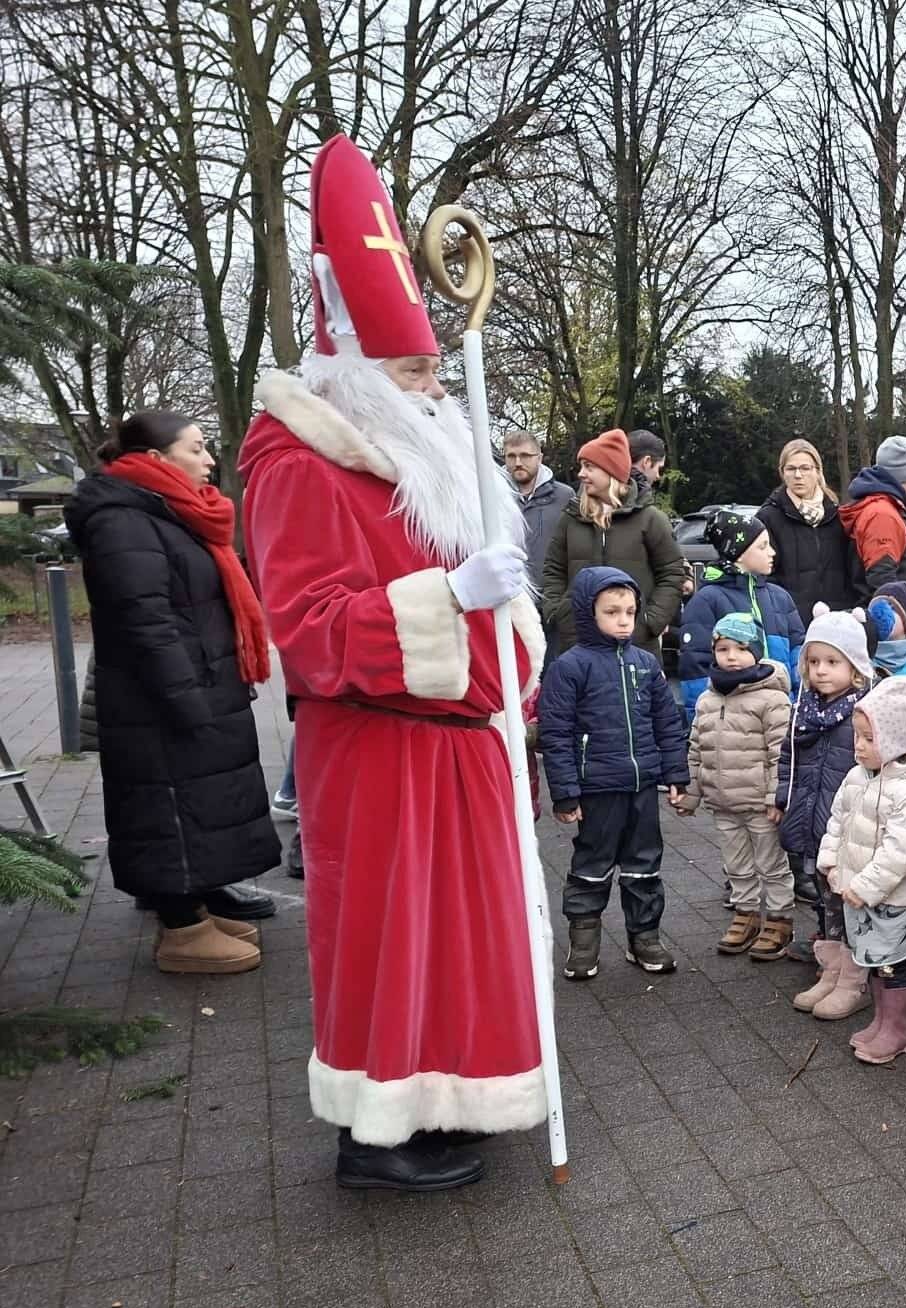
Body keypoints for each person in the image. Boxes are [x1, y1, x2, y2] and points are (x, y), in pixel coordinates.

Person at [238, 135, 546, 1190]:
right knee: (390, 941)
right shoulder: (299, 466)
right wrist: (449, 599)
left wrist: (504, 617)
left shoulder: (430, 455)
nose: (431, 385)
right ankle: (375, 1137)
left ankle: (449, 1100)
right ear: (357, 373)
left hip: (461, 747)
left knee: (460, 943)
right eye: (411, 370)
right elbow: (312, 632)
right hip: (382, 753)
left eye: (431, 369)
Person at [70, 409, 282, 976]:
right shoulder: (122, 521)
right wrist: (185, 697)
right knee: (167, 808)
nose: (209, 459)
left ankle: (200, 905)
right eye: (196, 448)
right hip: (160, 701)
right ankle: (182, 929)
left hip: (198, 685)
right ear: (156, 459)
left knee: (199, 804)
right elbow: (145, 620)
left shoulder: (168, 510)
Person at [539, 566, 690, 980]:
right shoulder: (570, 667)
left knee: (644, 864)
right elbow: (556, 733)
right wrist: (565, 793)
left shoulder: (645, 663)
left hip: (642, 786)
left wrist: (676, 775)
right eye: (611, 612)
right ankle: (584, 940)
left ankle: (644, 937)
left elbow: (667, 724)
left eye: (629, 612)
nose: (624, 621)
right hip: (597, 788)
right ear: (588, 613)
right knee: (592, 862)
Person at [820, 675, 906, 1065]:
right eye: (857, 736)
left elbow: (899, 851)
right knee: (871, 958)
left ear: (897, 739)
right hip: (857, 890)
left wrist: (865, 886)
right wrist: (831, 862)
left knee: (891, 963)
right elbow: (837, 822)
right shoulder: (857, 776)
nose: (859, 745)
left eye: (869, 739)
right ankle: (881, 1020)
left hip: (892, 898)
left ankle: (899, 1028)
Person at [780, 612, 874, 1020]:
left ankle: (855, 979)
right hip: (811, 819)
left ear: (855, 666)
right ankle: (832, 968)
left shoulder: (863, 713)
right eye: (814, 661)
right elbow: (788, 758)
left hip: (849, 829)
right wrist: (782, 797)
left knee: (848, 901)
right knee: (823, 897)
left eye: (832, 662)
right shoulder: (803, 710)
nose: (821, 670)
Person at [687, 614, 795, 960]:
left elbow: (781, 752)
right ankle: (745, 912)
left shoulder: (771, 699)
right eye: (723, 649)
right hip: (723, 802)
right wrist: (691, 793)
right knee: (736, 864)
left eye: (741, 648)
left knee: (771, 864)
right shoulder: (707, 699)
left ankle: (779, 917)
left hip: (760, 803)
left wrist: (776, 797)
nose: (731, 656)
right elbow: (696, 748)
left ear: (757, 652)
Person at [540, 428, 688, 659]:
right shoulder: (570, 519)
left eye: (589, 467)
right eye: (582, 466)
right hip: (577, 647)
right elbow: (553, 570)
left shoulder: (651, 519)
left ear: (611, 471)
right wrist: (558, 613)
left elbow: (672, 573)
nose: (581, 474)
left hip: (636, 648)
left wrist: (649, 622)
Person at [678, 513, 807, 706]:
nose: (772, 552)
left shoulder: (780, 597)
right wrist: (703, 716)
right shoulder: (706, 601)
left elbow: (799, 655)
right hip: (733, 716)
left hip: (783, 710)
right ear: (738, 553)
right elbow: (695, 669)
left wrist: (800, 705)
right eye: (762, 546)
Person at [757, 437, 862, 622]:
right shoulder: (768, 518)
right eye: (791, 469)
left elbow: (854, 572)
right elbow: (764, 576)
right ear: (782, 473)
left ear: (817, 472)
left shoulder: (839, 516)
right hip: (791, 622)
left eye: (805, 468)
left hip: (837, 620)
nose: (798, 475)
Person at [841, 435, 906, 593]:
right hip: (896, 608)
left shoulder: (886, 507)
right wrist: (898, 607)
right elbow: (882, 578)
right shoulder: (882, 515)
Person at [502, 430, 573, 576]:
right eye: (511, 456)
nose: (518, 463)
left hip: (550, 586)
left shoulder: (564, 496)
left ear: (539, 458)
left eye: (525, 456)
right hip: (506, 586)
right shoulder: (493, 497)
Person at [627, 429, 667, 504]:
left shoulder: (606, 494)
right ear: (647, 461)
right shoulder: (645, 509)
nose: (658, 476)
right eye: (659, 468)